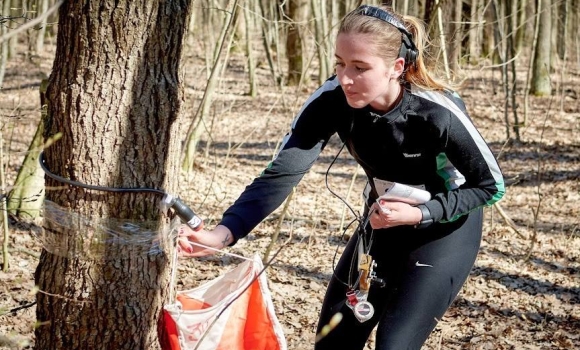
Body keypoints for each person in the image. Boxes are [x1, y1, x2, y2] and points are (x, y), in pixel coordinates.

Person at [179, 4, 505, 350]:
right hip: (382, 224)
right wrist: (224, 232)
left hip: (446, 230)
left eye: (360, 67)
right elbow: (283, 172)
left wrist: (421, 213)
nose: (345, 78)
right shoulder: (332, 100)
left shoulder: (436, 111)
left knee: (394, 344)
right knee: (333, 341)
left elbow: (491, 186)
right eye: (340, 63)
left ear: (396, 67)